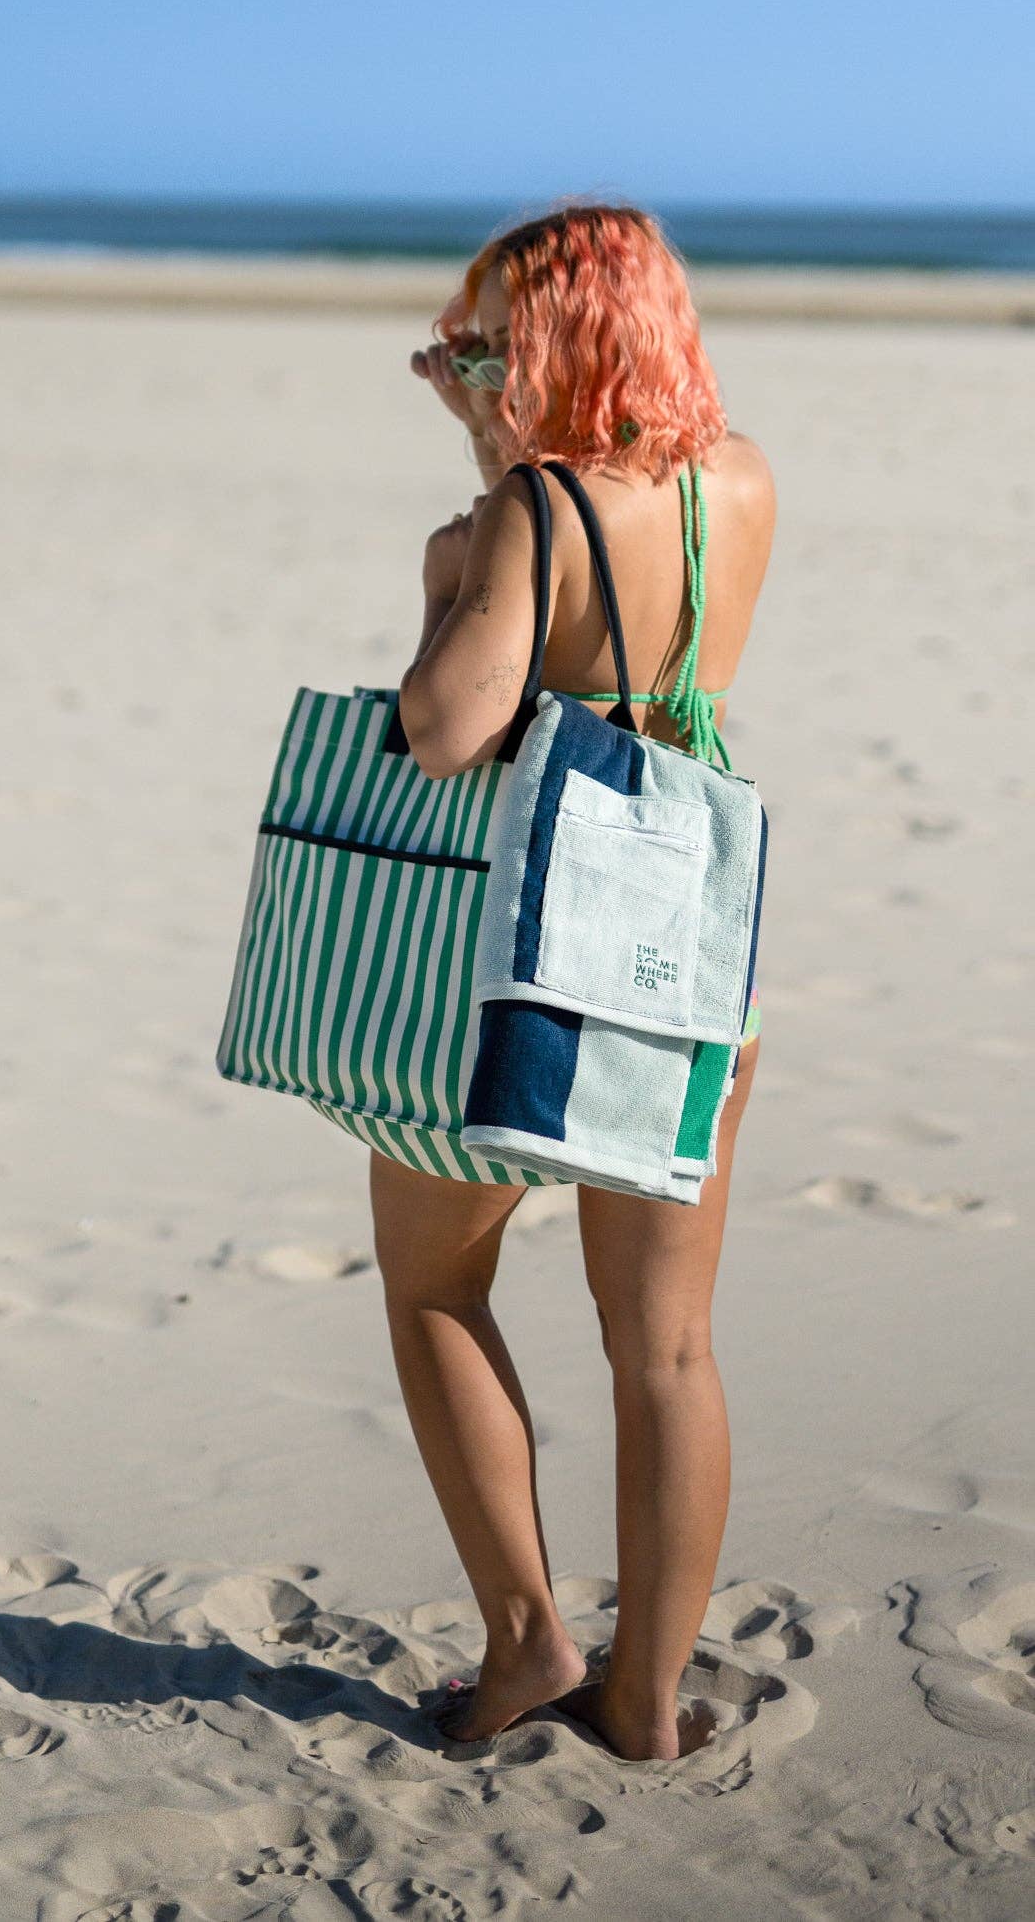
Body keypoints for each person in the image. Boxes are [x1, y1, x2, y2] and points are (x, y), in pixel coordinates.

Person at [382, 201, 776, 1760]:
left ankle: (525, 1642)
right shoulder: (737, 480)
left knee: (433, 1286)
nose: (476, 369)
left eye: (491, 345)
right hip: (691, 944)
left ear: (555, 339)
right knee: (665, 1345)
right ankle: (647, 1700)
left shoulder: (528, 510)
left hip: (522, 958)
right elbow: (633, 652)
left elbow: (445, 729)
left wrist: (458, 550)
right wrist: (500, 450)